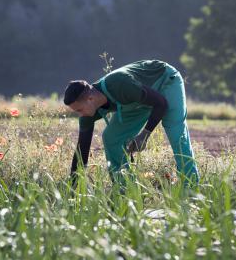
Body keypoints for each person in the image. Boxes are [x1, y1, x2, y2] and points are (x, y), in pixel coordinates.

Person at [64, 59, 199, 189]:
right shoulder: (88, 112)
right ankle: (125, 189)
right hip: (136, 100)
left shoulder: (120, 84)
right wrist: (73, 184)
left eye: (79, 110)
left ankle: (191, 186)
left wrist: (145, 135)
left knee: (175, 131)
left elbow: (161, 103)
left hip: (165, 81)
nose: (80, 114)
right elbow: (82, 150)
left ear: (90, 98)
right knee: (112, 139)